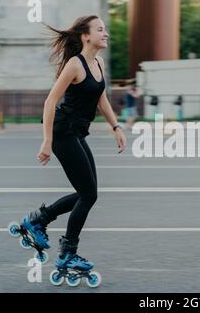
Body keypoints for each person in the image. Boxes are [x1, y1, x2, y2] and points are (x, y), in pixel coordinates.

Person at [18, 15, 127, 272]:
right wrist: (47, 140)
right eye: (100, 29)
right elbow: (50, 102)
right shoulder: (74, 65)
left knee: (87, 193)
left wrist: (116, 127)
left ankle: (39, 220)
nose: (106, 33)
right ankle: (68, 253)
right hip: (63, 133)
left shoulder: (98, 63)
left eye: (105, 29)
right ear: (85, 36)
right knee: (88, 194)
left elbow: (101, 99)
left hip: (77, 133)